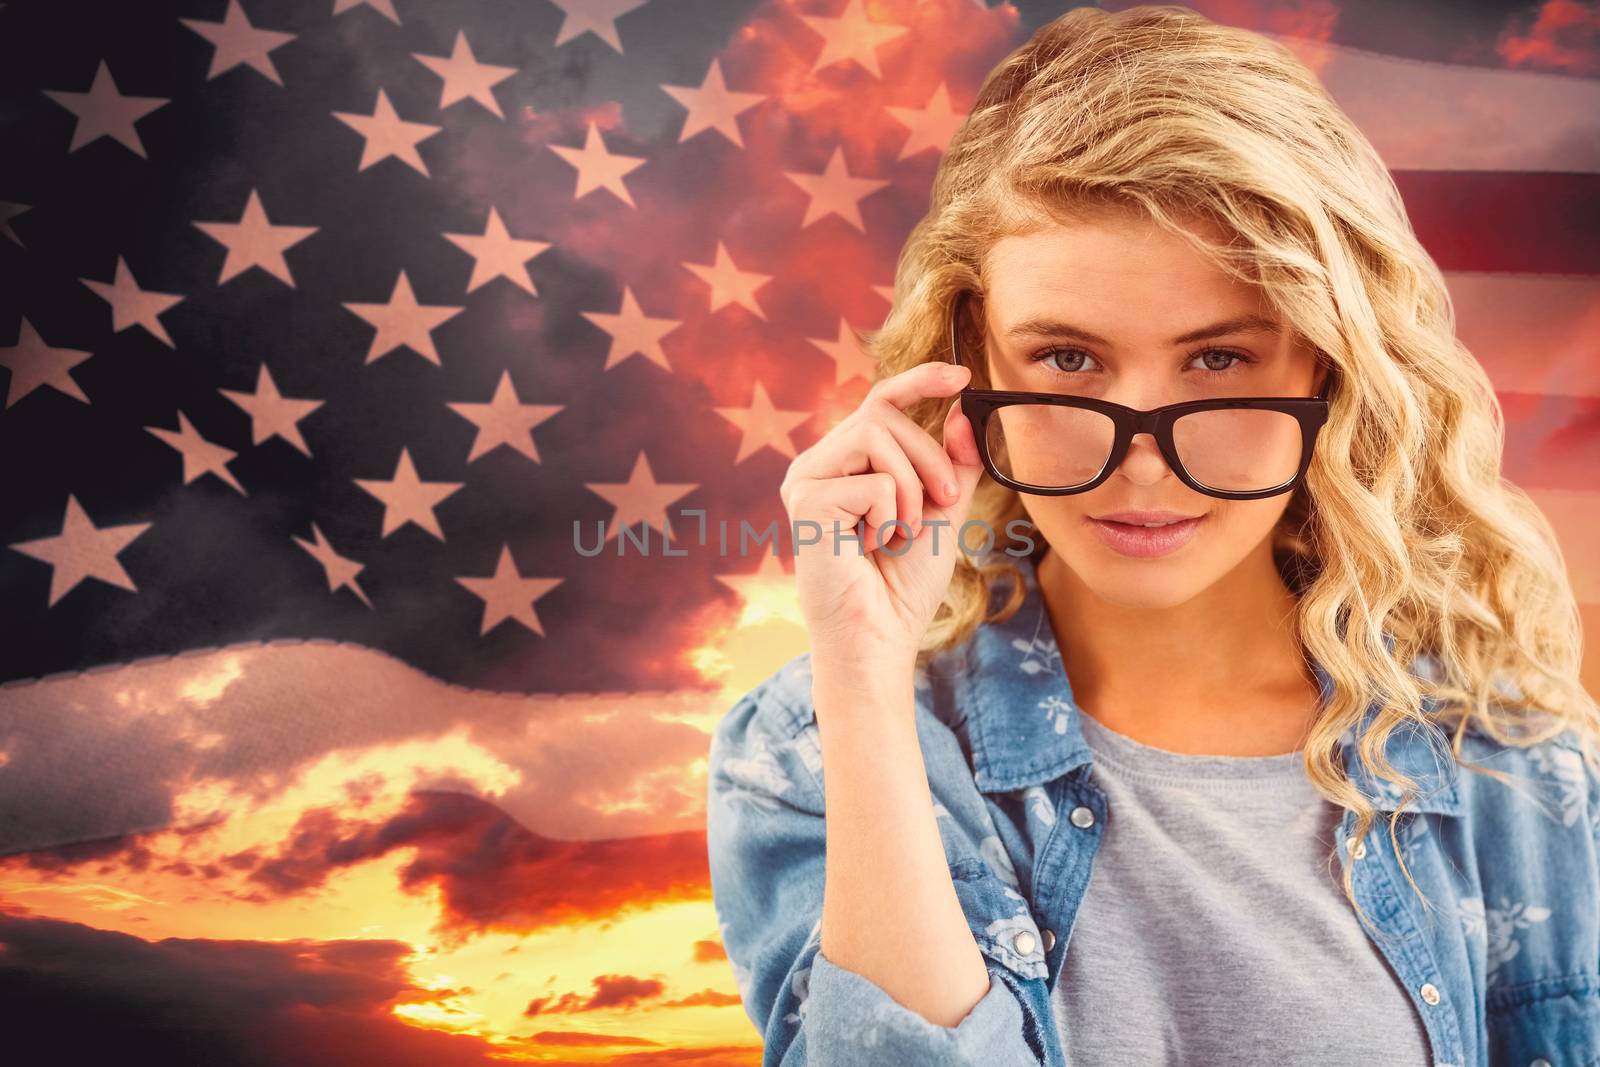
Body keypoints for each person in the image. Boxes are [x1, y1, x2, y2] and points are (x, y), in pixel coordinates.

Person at [705, 6, 1600, 1065]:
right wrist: (860, 675)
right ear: (970, 360)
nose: (1143, 461)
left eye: (1217, 360)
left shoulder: (1505, 760)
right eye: (1068, 361)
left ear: (1328, 369)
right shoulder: (812, 745)